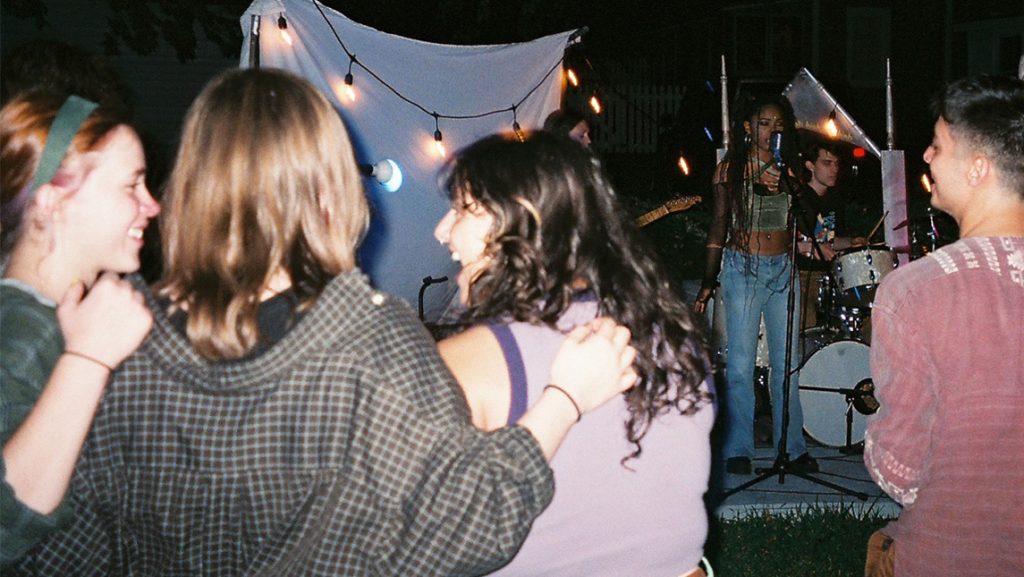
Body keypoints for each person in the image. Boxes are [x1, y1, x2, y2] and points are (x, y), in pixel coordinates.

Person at [14, 68, 638, 576]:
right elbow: (467, 524)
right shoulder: (374, 345)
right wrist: (564, 399)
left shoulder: (117, 347)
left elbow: (70, 547)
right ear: (329, 193)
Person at [434, 132, 715, 576]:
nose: (442, 231)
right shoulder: (674, 337)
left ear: (519, 222)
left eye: (463, 210)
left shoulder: (467, 361)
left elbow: (423, 540)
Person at [863, 74, 1024, 576]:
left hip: (952, 555)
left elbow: (901, 474)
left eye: (937, 146)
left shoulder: (913, 292)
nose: (927, 158)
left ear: (978, 169)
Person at [1, 92, 158, 563]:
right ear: (53, 203)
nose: (153, 205)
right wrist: (87, 360)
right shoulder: (20, 330)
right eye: (132, 186)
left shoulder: (85, 309)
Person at [693, 93, 817, 476]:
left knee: (787, 365)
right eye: (764, 123)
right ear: (748, 128)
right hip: (742, 267)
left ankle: (791, 447)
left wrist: (791, 184)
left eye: (778, 125)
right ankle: (738, 447)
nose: (771, 131)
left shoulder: (788, 171)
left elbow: (811, 219)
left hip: (782, 268)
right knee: (742, 363)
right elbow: (718, 224)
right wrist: (708, 280)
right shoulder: (730, 170)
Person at [794, 139, 868, 331]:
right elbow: (783, 241)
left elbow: (830, 241)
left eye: (836, 164)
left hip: (829, 275)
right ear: (810, 165)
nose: (834, 169)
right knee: (806, 321)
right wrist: (808, 247)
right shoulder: (799, 197)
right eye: (827, 163)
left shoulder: (835, 200)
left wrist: (851, 242)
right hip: (800, 275)